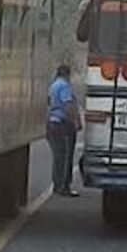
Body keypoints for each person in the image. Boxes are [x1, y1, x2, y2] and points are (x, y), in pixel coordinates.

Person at [47, 64, 80, 197]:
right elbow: (68, 104)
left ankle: (57, 184)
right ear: (67, 74)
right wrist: (75, 121)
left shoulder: (53, 85)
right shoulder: (65, 86)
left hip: (52, 123)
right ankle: (63, 186)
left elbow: (49, 103)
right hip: (62, 124)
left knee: (58, 156)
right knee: (65, 156)